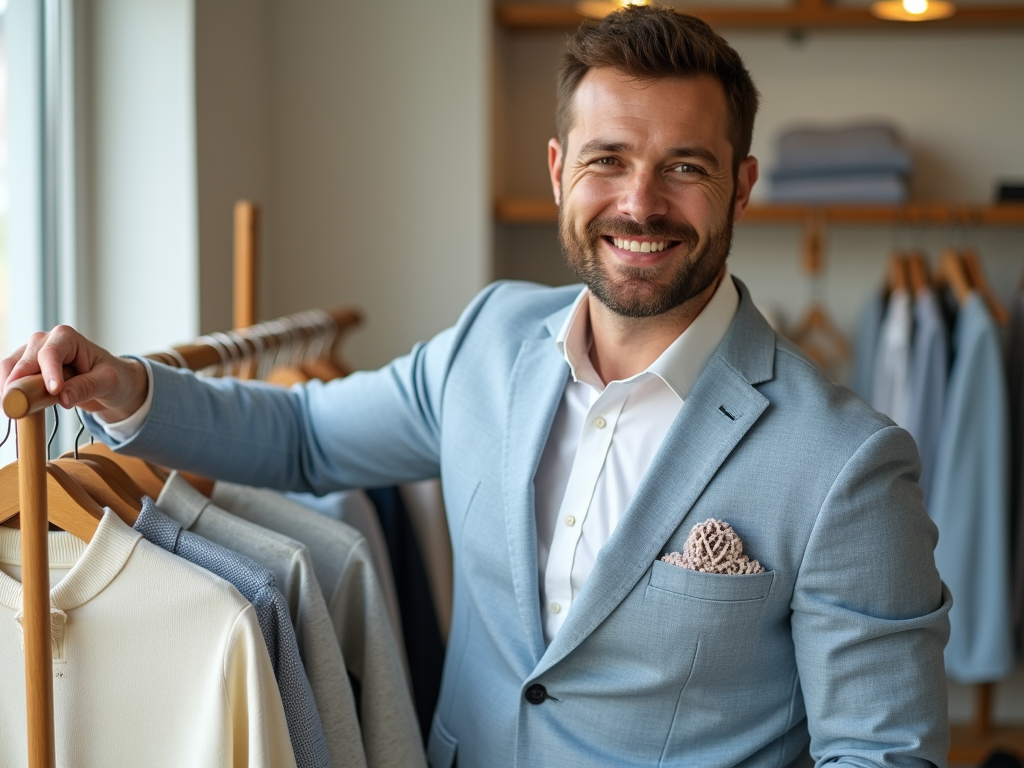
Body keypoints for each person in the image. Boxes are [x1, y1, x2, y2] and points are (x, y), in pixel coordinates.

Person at [2, 7, 950, 767]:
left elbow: (879, 754)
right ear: (556, 172)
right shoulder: (489, 339)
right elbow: (304, 437)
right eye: (607, 160)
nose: (639, 202)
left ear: (741, 187)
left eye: (685, 168)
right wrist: (126, 388)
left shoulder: (846, 464)